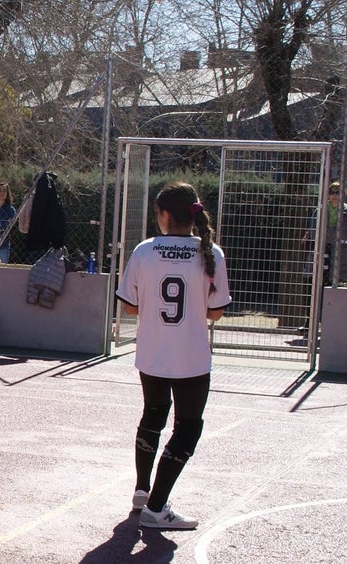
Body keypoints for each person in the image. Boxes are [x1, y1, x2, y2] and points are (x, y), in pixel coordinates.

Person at [114, 181, 232, 530]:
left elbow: (130, 307)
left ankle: (142, 490)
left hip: (152, 353)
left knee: (152, 415)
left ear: (164, 215)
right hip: (191, 358)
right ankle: (156, 507)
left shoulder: (144, 251)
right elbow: (215, 313)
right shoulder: (211, 253)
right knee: (188, 428)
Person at [305, 181, 347, 284]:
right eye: (332, 192)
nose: (334, 196)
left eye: (338, 192)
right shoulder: (319, 210)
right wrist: (334, 233)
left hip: (339, 251)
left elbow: (345, 234)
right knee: (316, 282)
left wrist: (324, 231)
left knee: (337, 283)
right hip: (320, 249)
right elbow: (314, 233)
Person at [0, 183, 17, 263]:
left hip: (3, 245)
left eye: (4, 191)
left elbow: (10, 226)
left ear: (7, 194)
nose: (2, 192)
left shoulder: (11, 210)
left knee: (1, 267)